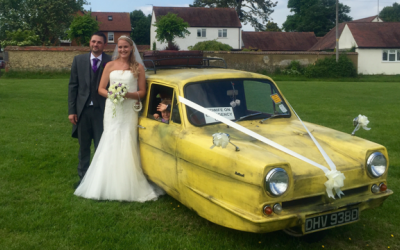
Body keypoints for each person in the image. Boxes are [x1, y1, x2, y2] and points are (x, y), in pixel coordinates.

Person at [74, 35, 164, 201]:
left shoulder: (138, 67)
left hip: (129, 110)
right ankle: (104, 182)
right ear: (117, 48)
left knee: (127, 140)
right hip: (112, 108)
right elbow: (100, 88)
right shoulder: (109, 65)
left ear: (131, 49)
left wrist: (127, 94)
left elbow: (142, 92)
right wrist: (112, 94)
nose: (123, 50)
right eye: (120, 47)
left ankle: (128, 182)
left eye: (126, 47)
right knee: (110, 138)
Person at [68, 32, 112, 184]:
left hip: (102, 111)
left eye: (99, 42)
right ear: (89, 42)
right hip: (83, 111)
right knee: (84, 146)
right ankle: (83, 179)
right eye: (93, 41)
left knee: (101, 146)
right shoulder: (78, 60)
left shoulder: (111, 61)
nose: (95, 44)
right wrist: (72, 111)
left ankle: (100, 180)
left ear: (104, 45)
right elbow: (73, 86)